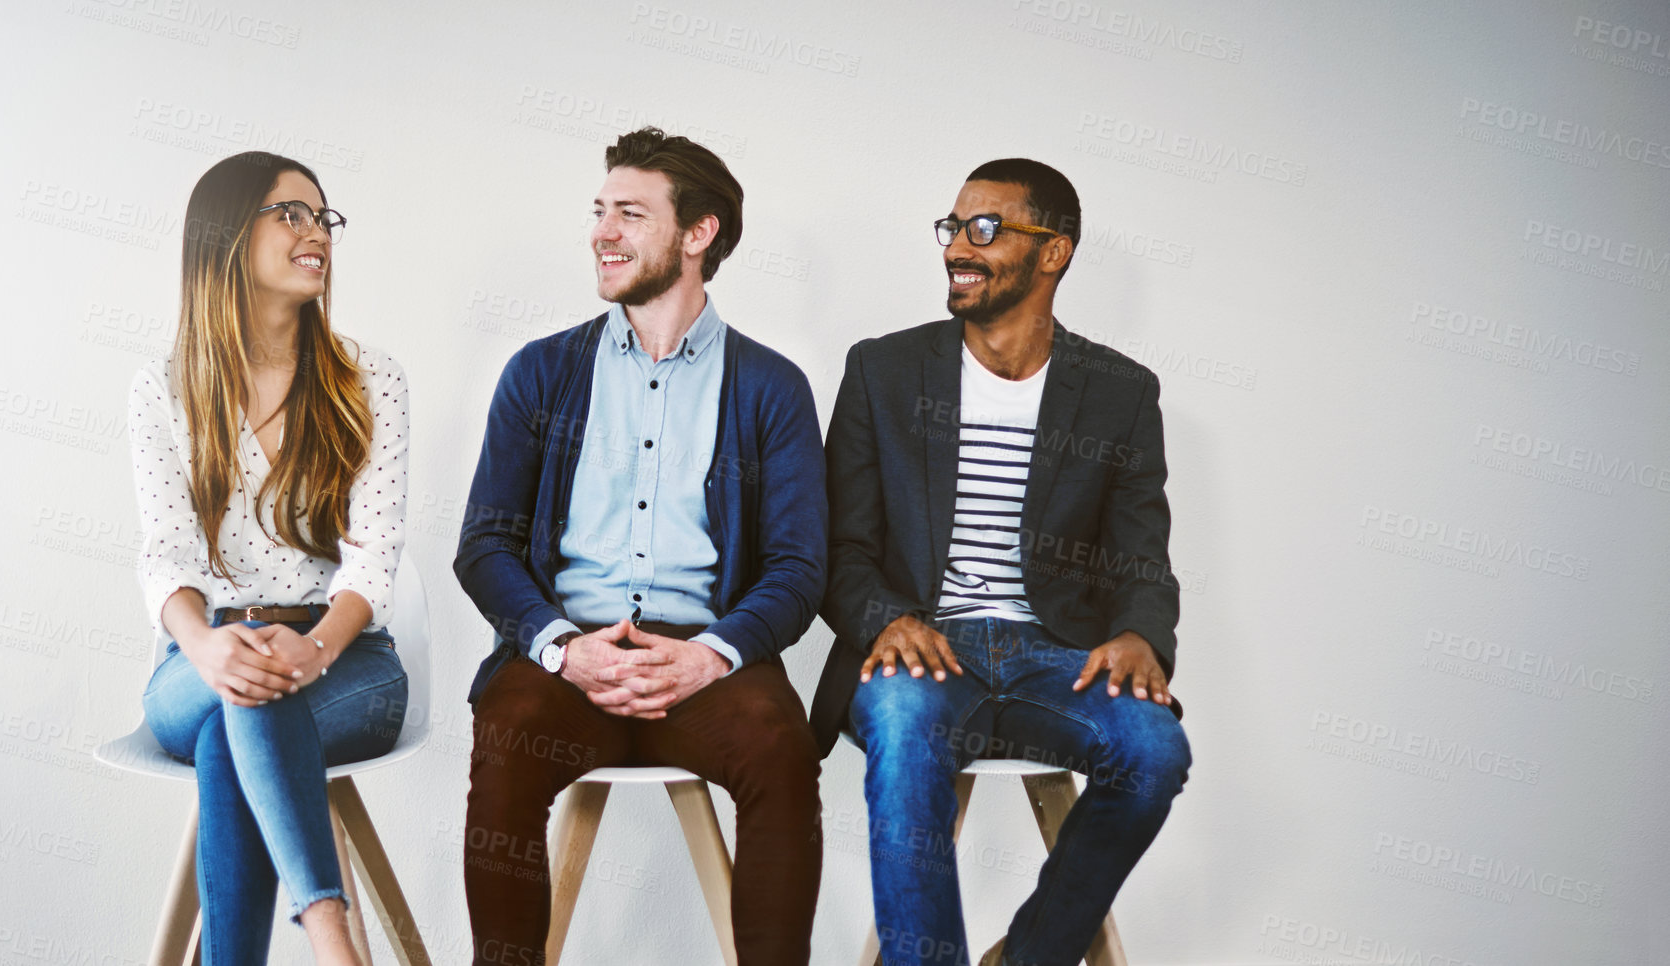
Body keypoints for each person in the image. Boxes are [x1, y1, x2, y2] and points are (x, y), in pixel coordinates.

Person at [454, 127, 827, 965]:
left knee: (781, 747)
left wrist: (714, 656)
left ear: (699, 235)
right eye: (599, 212)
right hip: (567, 656)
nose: (602, 232)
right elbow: (484, 547)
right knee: (507, 731)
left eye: (630, 213)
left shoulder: (772, 387)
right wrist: (561, 649)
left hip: (707, 664)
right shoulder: (541, 372)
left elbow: (801, 569)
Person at [811, 159, 1192, 966]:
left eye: (985, 229)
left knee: (1156, 752)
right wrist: (889, 621)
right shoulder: (882, 371)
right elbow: (840, 549)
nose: (959, 247)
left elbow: (1142, 558)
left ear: (1052, 252)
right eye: (953, 228)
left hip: (1057, 659)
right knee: (904, 724)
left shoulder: (1120, 392)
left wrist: (1139, 637)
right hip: (927, 648)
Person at [129, 150, 410, 966]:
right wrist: (208, 647)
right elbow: (166, 559)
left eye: (324, 217)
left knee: (240, 718)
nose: (316, 233)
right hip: (197, 655)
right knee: (239, 690)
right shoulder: (166, 387)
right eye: (291, 214)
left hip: (350, 661)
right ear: (226, 237)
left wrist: (316, 647)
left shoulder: (371, 380)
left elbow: (373, 560)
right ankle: (335, 943)